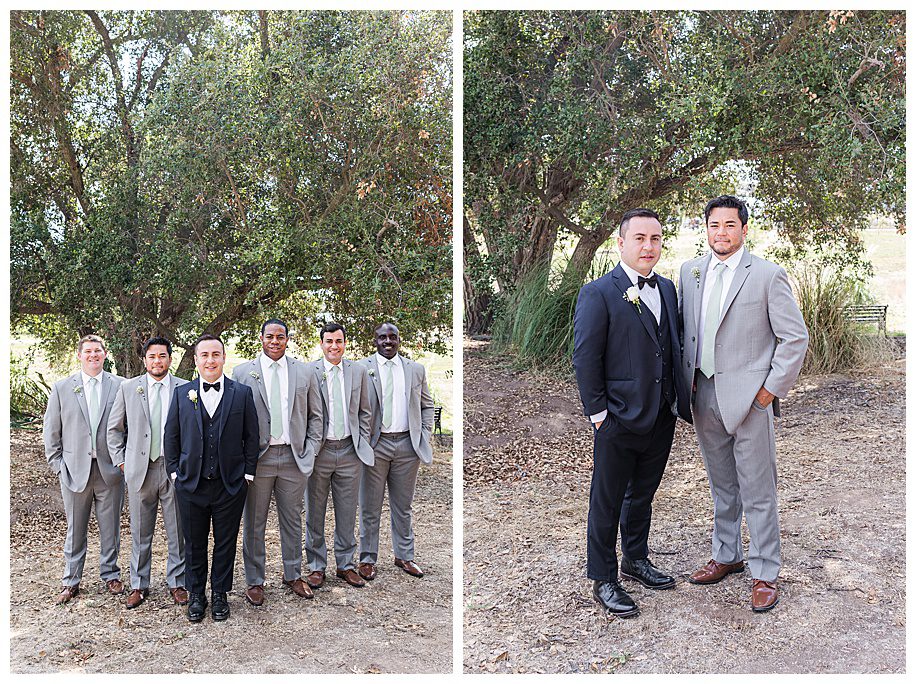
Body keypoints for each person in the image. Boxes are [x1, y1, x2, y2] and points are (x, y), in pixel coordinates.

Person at [679, 195, 808, 612]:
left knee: (758, 490)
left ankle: (765, 572)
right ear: (706, 228)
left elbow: (794, 339)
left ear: (744, 229)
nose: (722, 233)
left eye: (730, 225)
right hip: (703, 394)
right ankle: (727, 553)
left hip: (752, 400)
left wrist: (769, 392)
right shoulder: (690, 272)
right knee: (722, 485)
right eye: (714, 225)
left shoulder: (767, 276)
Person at [572, 208, 692, 618]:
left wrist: (677, 402)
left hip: (661, 413)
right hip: (618, 417)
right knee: (606, 500)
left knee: (643, 493)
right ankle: (604, 578)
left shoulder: (669, 288)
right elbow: (586, 358)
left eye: (655, 238)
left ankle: (635, 559)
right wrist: (599, 414)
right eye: (639, 238)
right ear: (620, 243)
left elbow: (668, 345)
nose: (648, 246)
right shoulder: (599, 292)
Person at [163, 334, 259, 622]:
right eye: (204, 355)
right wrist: (175, 473)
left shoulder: (241, 393)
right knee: (193, 542)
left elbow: (251, 437)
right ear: (196, 359)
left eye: (215, 354)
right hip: (191, 484)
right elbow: (171, 436)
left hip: (230, 484)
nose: (210, 360)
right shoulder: (183, 394)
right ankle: (196, 595)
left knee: (225, 541)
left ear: (223, 357)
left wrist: (247, 475)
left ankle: (219, 593)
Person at [232, 318, 323, 605]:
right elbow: (234, 419)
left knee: (292, 519)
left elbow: (316, 416)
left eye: (280, 336)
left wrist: (309, 451)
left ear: (288, 339)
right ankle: (255, 580)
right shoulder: (243, 372)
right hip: (258, 459)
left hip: (294, 457)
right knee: (254, 522)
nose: (275, 341)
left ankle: (293, 573)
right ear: (261, 338)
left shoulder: (304, 371)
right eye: (269, 336)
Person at [107, 336, 188, 608]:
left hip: (174, 469)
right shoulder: (129, 388)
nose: (157, 361)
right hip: (140, 469)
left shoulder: (185, 388)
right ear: (144, 360)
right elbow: (114, 430)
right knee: (141, 532)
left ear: (170, 359)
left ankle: (178, 582)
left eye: (162, 356)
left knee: (178, 530)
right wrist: (122, 463)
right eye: (152, 356)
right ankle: (139, 585)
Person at [44, 334, 126, 604]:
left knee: (110, 527)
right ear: (79, 355)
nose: (93, 355)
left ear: (105, 354)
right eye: (88, 351)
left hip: (110, 471)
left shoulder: (121, 386)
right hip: (74, 471)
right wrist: (58, 466)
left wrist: (124, 462)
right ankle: (71, 580)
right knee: (75, 529)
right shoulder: (62, 388)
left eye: (98, 351)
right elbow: (51, 432)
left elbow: (129, 427)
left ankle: (110, 574)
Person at [357, 322, 435, 581]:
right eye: (382, 337)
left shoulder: (415, 369)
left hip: (407, 446)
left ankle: (405, 555)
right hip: (375, 446)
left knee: (403, 506)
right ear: (375, 341)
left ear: (399, 339)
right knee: (370, 506)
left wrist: (424, 433)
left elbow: (426, 405)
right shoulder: (362, 369)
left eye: (392, 337)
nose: (388, 341)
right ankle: (367, 558)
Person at [304, 323, 373, 589]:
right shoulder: (310, 371)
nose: (334, 346)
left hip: (348, 450)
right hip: (320, 452)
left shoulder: (358, 371)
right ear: (321, 344)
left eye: (339, 341)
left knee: (347, 511)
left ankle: (345, 564)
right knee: (315, 511)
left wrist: (361, 440)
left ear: (345, 343)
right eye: (329, 341)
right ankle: (316, 566)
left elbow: (365, 411)